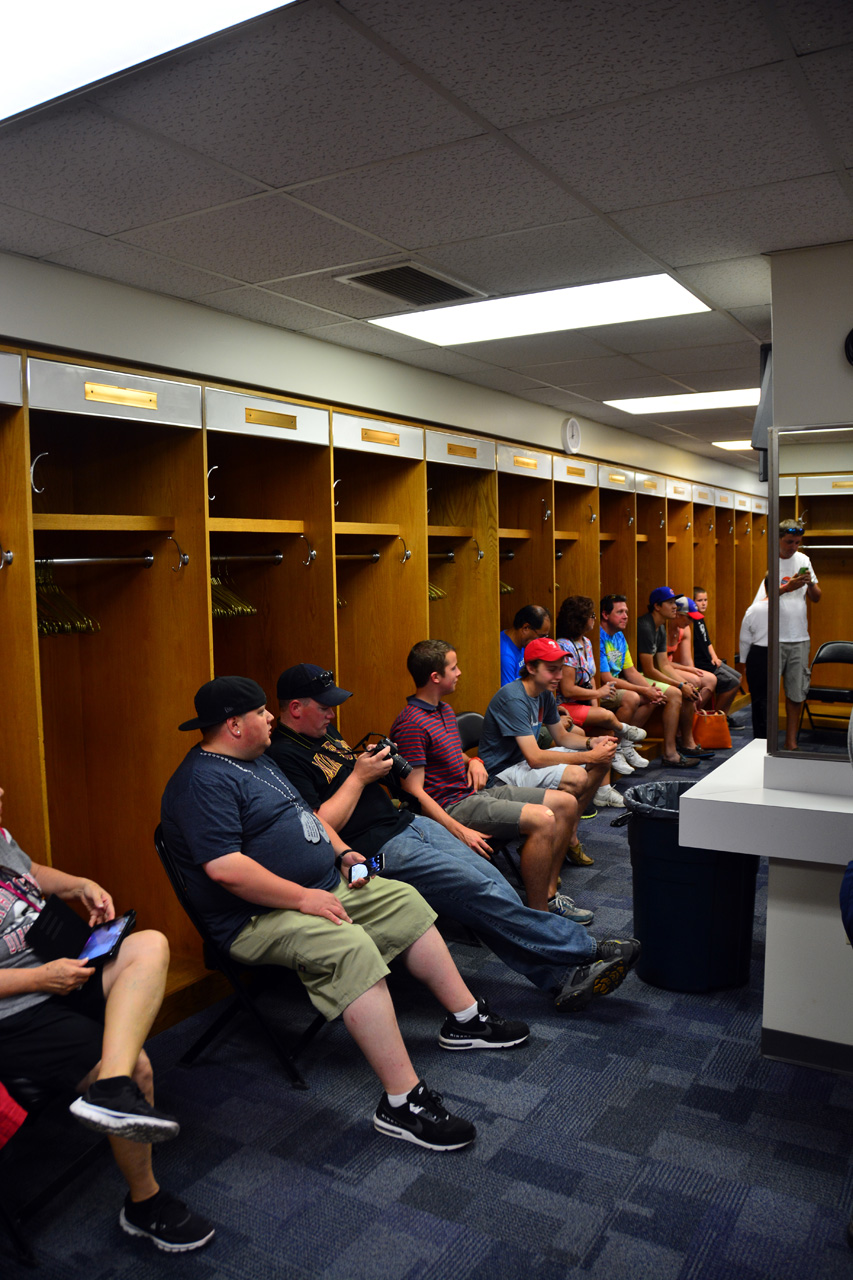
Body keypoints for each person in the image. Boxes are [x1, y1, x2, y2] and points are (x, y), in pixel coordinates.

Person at [161, 677, 533, 1153]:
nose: (270, 717)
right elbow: (225, 869)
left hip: (323, 883)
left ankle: (465, 1019)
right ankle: (401, 1103)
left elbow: (308, 820)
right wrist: (301, 898)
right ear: (234, 725)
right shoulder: (202, 781)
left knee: (402, 899)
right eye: (260, 713)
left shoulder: (259, 760)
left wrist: (344, 854)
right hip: (254, 918)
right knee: (349, 944)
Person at [267, 664, 639, 1013]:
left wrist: (373, 765)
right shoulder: (283, 755)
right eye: (324, 707)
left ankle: (561, 980)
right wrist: (358, 777)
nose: (333, 714)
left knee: (492, 882)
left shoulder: (324, 733)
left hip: (406, 821)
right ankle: (587, 950)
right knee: (476, 890)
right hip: (373, 854)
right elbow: (318, 826)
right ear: (295, 708)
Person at [0, 785, 213, 1253]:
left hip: (58, 968)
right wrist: (40, 981)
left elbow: (30, 872)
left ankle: (110, 1089)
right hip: (15, 1011)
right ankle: (144, 1204)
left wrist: (79, 885)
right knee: (139, 1067)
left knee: (149, 943)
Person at [390, 639, 592, 922]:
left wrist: (473, 760)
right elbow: (414, 792)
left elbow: (450, 752)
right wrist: (459, 830)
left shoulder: (443, 710)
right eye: (454, 667)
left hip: (473, 793)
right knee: (544, 818)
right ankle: (540, 915)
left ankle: (548, 893)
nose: (459, 672)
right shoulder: (411, 723)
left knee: (567, 804)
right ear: (435, 677)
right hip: (452, 807)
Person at [479, 638, 618, 865]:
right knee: (576, 775)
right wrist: (587, 756)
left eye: (560, 670)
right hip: (501, 776)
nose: (560, 676)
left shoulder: (544, 691)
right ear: (531, 668)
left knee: (602, 759)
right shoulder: (514, 697)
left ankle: (568, 833)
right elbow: (535, 758)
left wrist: (592, 742)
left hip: (522, 765)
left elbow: (562, 737)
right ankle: (555, 842)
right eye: (552, 670)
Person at [554, 595, 648, 805]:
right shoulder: (564, 646)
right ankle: (625, 732)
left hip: (585, 703)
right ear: (581, 619)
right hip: (567, 706)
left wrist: (596, 706)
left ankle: (603, 791)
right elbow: (568, 689)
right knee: (607, 717)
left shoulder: (587, 643)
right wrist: (598, 696)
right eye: (592, 616)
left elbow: (592, 679)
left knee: (605, 732)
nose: (594, 620)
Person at [636, 587, 714, 766]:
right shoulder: (646, 626)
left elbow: (664, 664)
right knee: (676, 693)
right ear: (657, 606)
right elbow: (649, 670)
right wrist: (679, 686)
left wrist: (684, 683)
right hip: (638, 676)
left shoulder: (660, 626)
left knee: (688, 690)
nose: (674, 607)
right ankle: (670, 753)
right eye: (670, 603)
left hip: (650, 674)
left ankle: (686, 744)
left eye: (674, 603)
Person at [763, 519, 821, 750]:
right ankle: (768, 742)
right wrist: (789, 587)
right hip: (773, 639)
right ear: (778, 539)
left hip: (799, 638)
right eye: (789, 542)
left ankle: (791, 741)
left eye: (797, 542)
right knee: (771, 693)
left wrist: (810, 584)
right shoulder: (769, 560)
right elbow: (764, 599)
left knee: (796, 693)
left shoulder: (804, 559)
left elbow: (816, 597)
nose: (793, 546)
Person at [690, 587, 743, 725]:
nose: (703, 603)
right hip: (701, 663)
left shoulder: (700, 619)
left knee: (738, 676)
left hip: (709, 660)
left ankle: (723, 716)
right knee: (733, 682)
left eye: (705, 600)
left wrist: (714, 656)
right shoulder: (691, 621)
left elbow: (707, 641)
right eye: (699, 600)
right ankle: (715, 720)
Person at [667, 596, 717, 707]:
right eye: (689, 618)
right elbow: (661, 663)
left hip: (674, 666)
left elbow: (687, 661)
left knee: (711, 680)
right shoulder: (663, 629)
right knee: (694, 681)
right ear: (678, 614)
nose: (691, 622)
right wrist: (689, 671)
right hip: (663, 667)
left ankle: (694, 713)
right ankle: (687, 715)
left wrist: (692, 670)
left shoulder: (684, 629)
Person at [740, 577, 769, 739]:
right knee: (771, 697)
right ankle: (772, 734)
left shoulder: (753, 609)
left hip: (757, 654)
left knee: (758, 698)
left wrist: (744, 661)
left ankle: (760, 736)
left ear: (764, 586)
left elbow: (745, 638)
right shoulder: (784, 608)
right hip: (777, 651)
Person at [499, 605, 551, 686]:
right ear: (525, 628)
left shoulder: (523, 643)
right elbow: (509, 697)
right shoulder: (505, 656)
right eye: (541, 636)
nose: (542, 641)